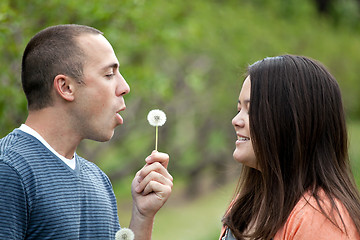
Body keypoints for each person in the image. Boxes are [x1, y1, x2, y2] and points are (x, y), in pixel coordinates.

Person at [0, 24, 173, 239]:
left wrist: (142, 215)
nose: (125, 87)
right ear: (65, 87)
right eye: (109, 74)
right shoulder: (9, 171)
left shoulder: (98, 180)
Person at [220, 55, 360, 240]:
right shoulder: (244, 207)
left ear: (290, 122)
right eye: (239, 109)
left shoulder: (318, 219)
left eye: (251, 110)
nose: (236, 121)